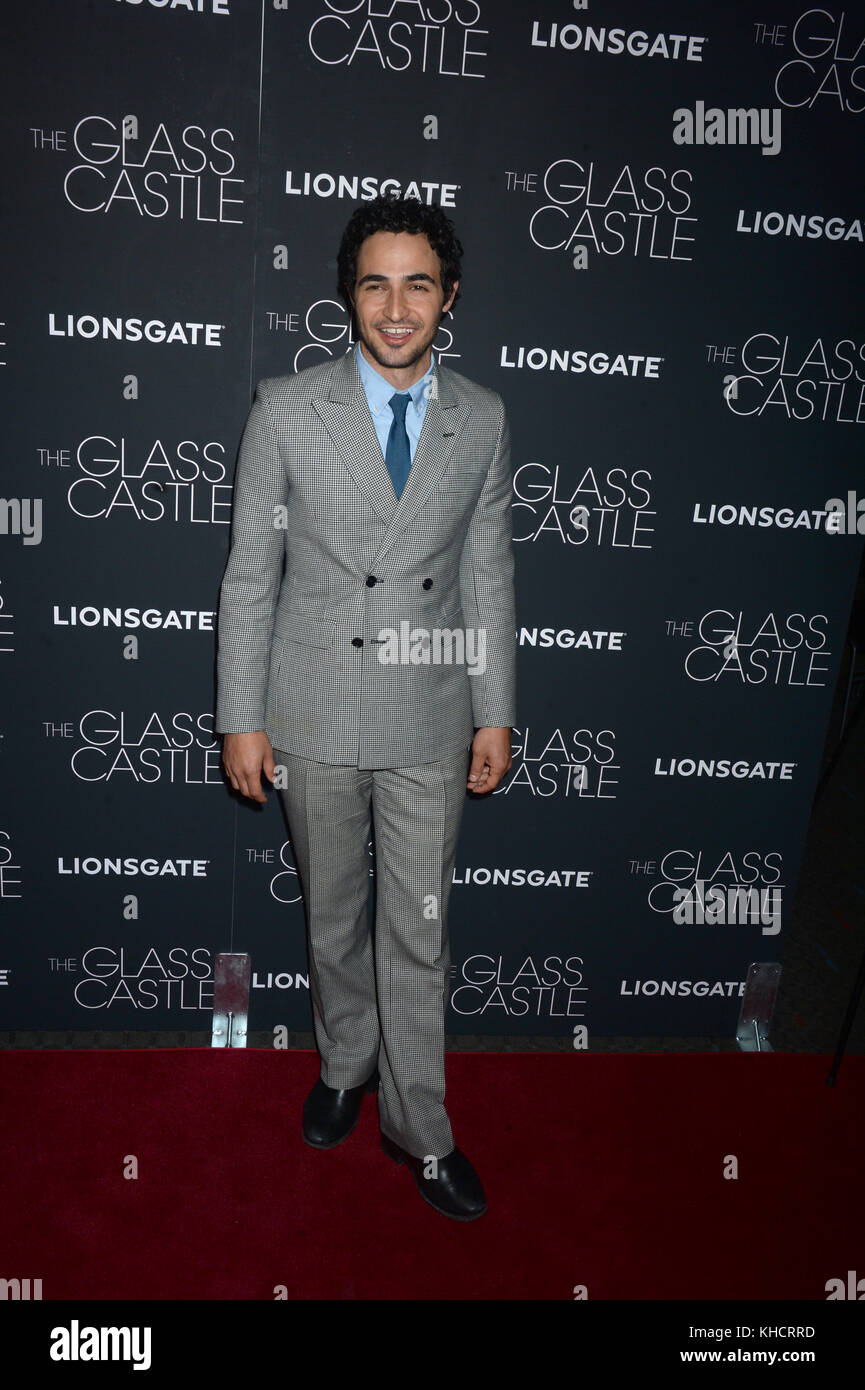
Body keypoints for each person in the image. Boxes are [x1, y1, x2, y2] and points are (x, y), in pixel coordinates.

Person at [216, 193, 516, 1221]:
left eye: (417, 283)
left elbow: (487, 572)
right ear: (348, 293)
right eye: (375, 282)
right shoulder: (285, 408)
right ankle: (345, 1062)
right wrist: (239, 717)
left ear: (449, 295)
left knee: (418, 933)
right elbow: (250, 575)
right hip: (309, 710)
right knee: (333, 912)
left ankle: (421, 1130)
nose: (396, 307)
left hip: (431, 710)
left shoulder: (483, 417)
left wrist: (495, 710)